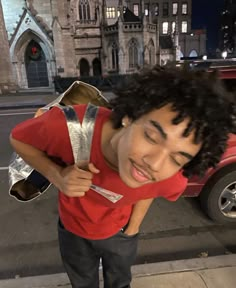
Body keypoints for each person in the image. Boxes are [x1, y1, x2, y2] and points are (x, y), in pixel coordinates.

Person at [9, 65, 236, 288]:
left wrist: (132, 229)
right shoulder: (70, 128)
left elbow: (151, 189)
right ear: (129, 116)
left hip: (120, 235)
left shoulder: (170, 177)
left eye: (177, 159)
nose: (155, 164)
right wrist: (57, 176)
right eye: (151, 136)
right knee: (82, 282)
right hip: (72, 231)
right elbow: (18, 139)